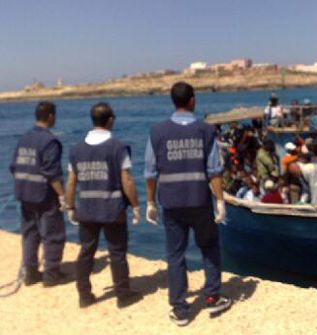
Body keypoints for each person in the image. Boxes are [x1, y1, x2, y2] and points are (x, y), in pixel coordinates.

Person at [144, 82, 232, 326]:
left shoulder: (157, 132)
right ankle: (213, 297)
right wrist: (220, 202)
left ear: (173, 101)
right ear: (192, 100)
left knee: (175, 255)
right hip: (200, 201)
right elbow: (214, 170)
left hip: (171, 204)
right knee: (209, 247)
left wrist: (150, 202)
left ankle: (181, 309)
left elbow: (150, 173)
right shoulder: (205, 131)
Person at [66, 102, 142, 309]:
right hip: (112, 209)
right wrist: (136, 206)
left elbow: (71, 181)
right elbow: (126, 180)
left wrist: (70, 207)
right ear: (110, 121)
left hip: (87, 210)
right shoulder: (118, 148)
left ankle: (84, 295)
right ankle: (123, 294)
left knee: (86, 252)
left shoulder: (76, 150)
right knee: (117, 252)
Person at [9, 101, 67, 287]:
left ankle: (31, 273)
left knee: (30, 233)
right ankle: (51, 275)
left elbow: (13, 166)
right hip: (44, 195)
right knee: (53, 234)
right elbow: (52, 173)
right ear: (50, 116)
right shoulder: (50, 141)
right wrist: (63, 196)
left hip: (24, 193)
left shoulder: (24, 138)